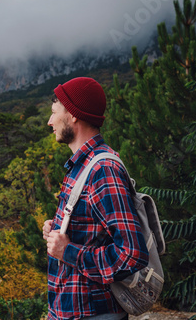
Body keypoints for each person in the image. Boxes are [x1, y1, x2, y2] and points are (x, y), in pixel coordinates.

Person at [43, 77, 149, 320]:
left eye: (53, 112)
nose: (50, 122)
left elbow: (132, 254)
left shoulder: (103, 170)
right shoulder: (82, 166)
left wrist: (69, 251)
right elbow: (92, 230)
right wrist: (56, 229)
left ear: (73, 115)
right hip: (70, 310)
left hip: (93, 313)